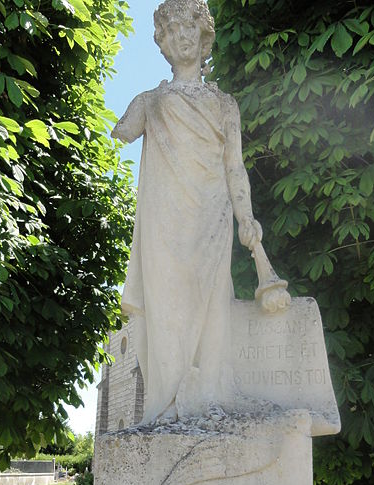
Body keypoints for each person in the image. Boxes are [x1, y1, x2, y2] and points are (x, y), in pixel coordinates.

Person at [113, 0, 263, 424]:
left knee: (214, 303)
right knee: (166, 309)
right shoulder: (152, 100)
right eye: (172, 30)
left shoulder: (225, 105)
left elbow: (234, 166)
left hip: (211, 218)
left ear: (203, 36)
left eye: (189, 28)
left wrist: (245, 216)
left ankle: (211, 395)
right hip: (164, 222)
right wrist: (134, 113)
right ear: (162, 41)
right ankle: (167, 402)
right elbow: (123, 130)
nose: (182, 37)